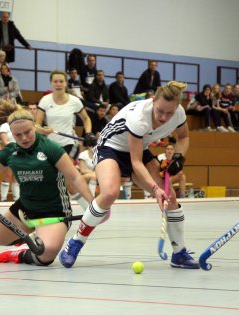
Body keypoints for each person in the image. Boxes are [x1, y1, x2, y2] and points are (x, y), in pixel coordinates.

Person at [59, 81, 200, 269]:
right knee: (109, 193)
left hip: (139, 147)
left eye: (169, 113)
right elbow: (135, 162)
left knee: (170, 197)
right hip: (111, 147)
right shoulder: (139, 118)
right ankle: (76, 242)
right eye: (160, 111)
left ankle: (179, 253)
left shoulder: (179, 114)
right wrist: (155, 189)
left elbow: (184, 138)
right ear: (153, 100)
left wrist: (178, 158)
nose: (164, 117)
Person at [0, 103, 93, 266]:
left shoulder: (50, 148)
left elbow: (75, 177)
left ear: (34, 126)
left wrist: (93, 205)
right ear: (12, 133)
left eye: (28, 132)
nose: (24, 138)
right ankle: (31, 239)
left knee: (45, 255)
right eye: (18, 135)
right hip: (24, 210)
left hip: (54, 211)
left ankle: (20, 253)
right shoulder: (10, 151)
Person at [36, 70, 96, 211]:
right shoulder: (45, 101)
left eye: (61, 81)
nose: (58, 84)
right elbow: (36, 125)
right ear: (51, 83)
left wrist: (88, 133)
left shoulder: (74, 101)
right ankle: (90, 210)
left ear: (66, 83)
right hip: (50, 146)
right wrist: (43, 130)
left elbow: (87, 119)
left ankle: (91, 211)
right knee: (68, 185)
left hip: (69, 145)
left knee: (64, 181)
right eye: (55, 81)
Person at [0, 119, 20, 202]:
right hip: (10, 152)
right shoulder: (4, 126)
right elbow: (5, 141)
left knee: (17, 177)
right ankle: (3, 199)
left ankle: (17, 199)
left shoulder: (19, 124)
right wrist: (15, 149)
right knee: (8, 176)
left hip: (21, 153)